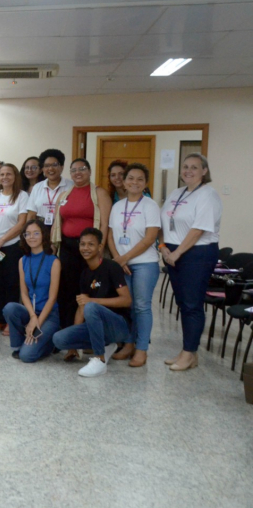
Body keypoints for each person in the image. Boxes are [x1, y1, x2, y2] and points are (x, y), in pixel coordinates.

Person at [160, 153, 222, 372]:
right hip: (173, 252)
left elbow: (198, 229)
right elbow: (163, 222)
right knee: (183, 303)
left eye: (194, 167)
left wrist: (177, 254)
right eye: (185, 166)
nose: (188, 170)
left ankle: (189, 353)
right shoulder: (177, 193)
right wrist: (164, 248)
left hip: (197, 254)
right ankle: (189, 351)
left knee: (192, 305)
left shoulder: (208, 195)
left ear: (204, 171)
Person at [52, 228, 132, 378]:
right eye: (82, 244)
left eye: (90, 244)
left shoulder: (111, 267)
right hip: (97, 325)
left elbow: (126, 300)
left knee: (91, 307)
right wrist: (73, 346)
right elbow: (81, 306)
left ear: (100, 247)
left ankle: (100, 360)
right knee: (59, 339)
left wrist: (93, 301)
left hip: (119, 326)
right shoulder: (85, 273)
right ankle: (107, 346)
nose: (85, 248)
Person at [51, 158, 112, 344]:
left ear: (90, 171)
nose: (78, 173)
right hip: (68, 248)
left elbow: (105, 223)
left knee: (89, 290)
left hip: (90, 249)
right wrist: (54, 244)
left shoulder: (99, 193)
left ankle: (89, 335)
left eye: (82, 169)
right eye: (74, 170)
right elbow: (57, 221)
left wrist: (100, 247)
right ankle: (67, 332)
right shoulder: (64, 195)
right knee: (68, 289)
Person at [107, 163, 161, 367]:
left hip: (144, 263)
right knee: (127, 307)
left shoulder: (150, 205)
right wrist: (117, 259)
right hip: (122, 264)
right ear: (124, 181)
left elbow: (150, 238)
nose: (134, 182)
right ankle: (128, 344)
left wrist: (124, 258)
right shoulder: (118, 206)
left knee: (142, 306)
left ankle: (141, 349)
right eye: (131, 178)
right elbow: (111, 235)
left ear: (145, 183)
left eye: (140, 179)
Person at [3, 220, 61, 362]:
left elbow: (52, 298)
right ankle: (18, 345)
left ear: (43, 235)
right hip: (31, 312)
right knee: (10, 308)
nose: (31, 237)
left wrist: (38, 322)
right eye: (27, 234)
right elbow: (24, 293)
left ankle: (50, 342)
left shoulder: (54, 261)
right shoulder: (22, 261)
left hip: (48, 315)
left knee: (27, 356)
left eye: (36, 233)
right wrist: (32, 317)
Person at [0, 163, 29, 334]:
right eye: (2, 174)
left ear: (15, 176)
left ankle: (11, 321)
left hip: (11, 247)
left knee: (12, 284)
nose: (4, 177)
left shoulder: (22, 196)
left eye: (8, 174)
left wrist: (0, 241)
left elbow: (21, 223)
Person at [27, 148, 73, 226]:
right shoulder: (37, 187)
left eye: (54, 165)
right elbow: (31, 214)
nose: (50, 168)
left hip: (63, 226)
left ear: (62, 167)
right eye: (47, 166)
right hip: (41, 227)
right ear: (43, 169)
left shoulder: (71, 186)